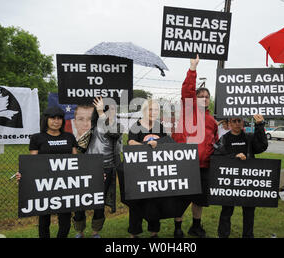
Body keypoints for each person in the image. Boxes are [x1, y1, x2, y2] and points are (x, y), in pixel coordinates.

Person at [172, 54, 218, 238]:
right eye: (201, 96)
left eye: (207, 97)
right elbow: (187, 90)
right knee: (181, 198)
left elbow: (213, 142)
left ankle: (196, 226)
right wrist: (193, 69)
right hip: (185, 163)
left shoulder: (212, 121)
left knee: (199, 200)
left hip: (203, 167)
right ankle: (178, 227)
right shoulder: (188, 111)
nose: (204, 99)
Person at [15, 106, 78, 238]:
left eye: (59, 118)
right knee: (44, 221)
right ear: (46, 120)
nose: (56, 121)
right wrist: (23, 174)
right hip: (45, 186)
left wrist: (92, 173)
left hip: (65, 185)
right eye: (53, 118)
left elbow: (76, 161)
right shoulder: (37, 138)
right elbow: (32, 163)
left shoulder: (69, 137)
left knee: (65, 222)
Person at [73, 97, 123, 238]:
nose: (111, 111)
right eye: (109, 108)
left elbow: (112, 132)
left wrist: (101, 112)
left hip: (106, 168)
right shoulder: (92, 125)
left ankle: (95, 232)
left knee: (99, 202)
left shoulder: (118, 125)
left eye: (114, 109)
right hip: (87, 168)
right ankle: (79, 231)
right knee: (80, 202)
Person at [214, 114, 268, 238]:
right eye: (234, 121)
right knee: (226, 210)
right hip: (230, 183)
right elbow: (216, 156)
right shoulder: (224, 139)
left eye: (240, 121)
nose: (237, 123)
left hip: (247, 182)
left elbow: (262, 146)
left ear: (243, 123)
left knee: (249, 211)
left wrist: (260, 125)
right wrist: (234, 157)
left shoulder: (249, 137)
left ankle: (248, 235)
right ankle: (223, 235)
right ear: (229, 124)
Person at [126, 99, 167, 238]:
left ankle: (154, 232)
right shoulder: (136, 126)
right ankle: (134, 232)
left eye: (156, 110)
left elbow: (167, 143)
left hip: (156, 171)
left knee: (155, 202)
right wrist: (148, 146)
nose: (153, 112)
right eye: (150, 109)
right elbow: (130, 142)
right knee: (136, 202)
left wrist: (158, 144)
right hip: (138, 170)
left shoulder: (160, 126)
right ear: (144, 110)